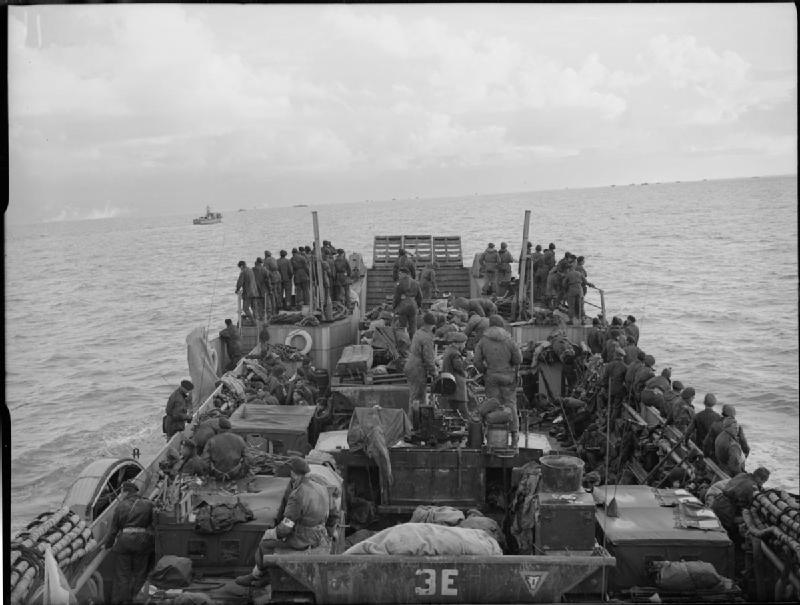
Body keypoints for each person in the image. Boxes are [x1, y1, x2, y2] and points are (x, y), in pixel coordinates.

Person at [236, 457, 338, 588]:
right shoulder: (323, 488)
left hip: (303, 539)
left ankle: (258, 575)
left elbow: (286, 528)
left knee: (265, 544)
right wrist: (330, 532)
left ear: (294, 474)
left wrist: (272, 533)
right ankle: (266, 575)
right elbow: (334, 514)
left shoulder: (297, 495)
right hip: (320, 535)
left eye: (292, 474)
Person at [474, 315, 522, 447]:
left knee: (493, 405)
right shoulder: (509, 339)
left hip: (492, 377)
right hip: (508, 377)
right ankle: (514, 436)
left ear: (490, 325)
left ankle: (493, 439)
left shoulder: (483, 341)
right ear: (502, 325)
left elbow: (477, 361)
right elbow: (518, 359)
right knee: (511, 405)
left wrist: (485, 371)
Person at [104, 481, 154, 604]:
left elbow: (113, 530)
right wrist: (148, 538)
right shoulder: (149, 504)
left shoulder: (120, 506)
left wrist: (108, 545)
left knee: (122, 574)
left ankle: (121, 601)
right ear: (136, 492)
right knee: (140, 573)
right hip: (142, 543)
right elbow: (154, 525)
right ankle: (137, 599)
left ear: (126, 492)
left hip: (124, 543)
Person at [712, 467, 770, 545]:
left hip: (717, 501)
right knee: (745, 521)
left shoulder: (742, 475)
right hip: (726, 509)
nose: (762, 484)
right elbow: (751, 504)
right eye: (763, 481)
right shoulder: (752, 486)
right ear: (759, 478)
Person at [404, 312, 438, 423]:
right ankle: (413, 424)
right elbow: (428, 358)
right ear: (433, 325)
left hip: (411, 364)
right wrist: (435, 372)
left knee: (415, 396)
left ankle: (416, 423)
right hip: (417, 368)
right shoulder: (427, 337)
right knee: (418, 397)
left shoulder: (418, 332)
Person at [441, 332, 469, 417]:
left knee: (452, 412)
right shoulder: (455, 353)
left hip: (449, 384)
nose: (464, 346)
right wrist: (468, 360)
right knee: (463, 412)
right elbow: (459, 367)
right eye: (464, 344)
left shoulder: (448, 350)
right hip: (457, 386)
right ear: (459, 343)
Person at [393, 272, 423, 342]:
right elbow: (420, 297)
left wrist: (394, 306)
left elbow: (397, 297)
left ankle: (403, 344)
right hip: (413, 305)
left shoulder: (400, 283)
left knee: (402, 327)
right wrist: (419, 306)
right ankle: (413, 344)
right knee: (413, 326)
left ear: (404, 274)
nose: (399, 275)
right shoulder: (416, 283)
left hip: (403, 305)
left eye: (400, 274)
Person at [236, 260, 259, 325]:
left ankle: (253, 322)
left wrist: (237, 289)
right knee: (254, 307)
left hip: (248, 293)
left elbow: (240, 282)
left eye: (240, 267)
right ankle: (257, 321)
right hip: (254, 292)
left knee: (245, 308)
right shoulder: (250, 270)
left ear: (242, 266)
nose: (240, 269)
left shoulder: (243, 272)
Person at [264, 251, 282, 316]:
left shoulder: (266, 261)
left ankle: (274, 311)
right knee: (278, 293)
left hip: (273, 279)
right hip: (278, 277)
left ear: (266, 255)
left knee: (272, 295)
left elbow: (266, 272)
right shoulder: (274, 259)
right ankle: (279, 307)